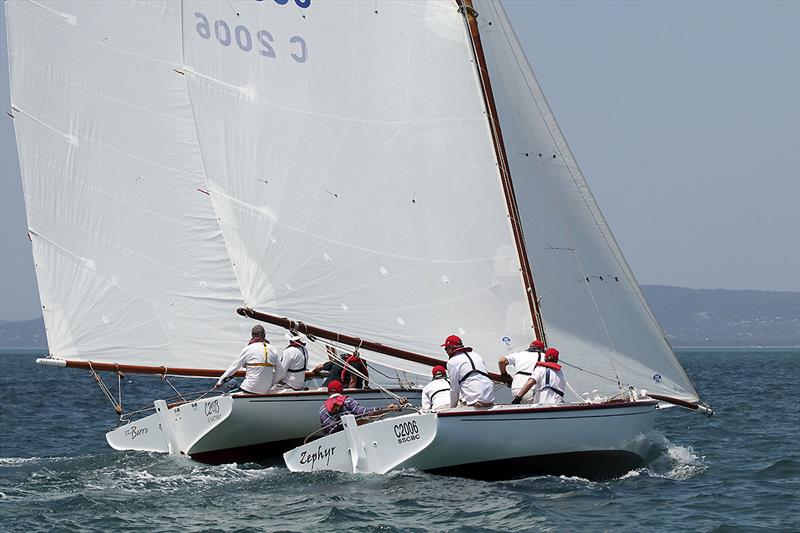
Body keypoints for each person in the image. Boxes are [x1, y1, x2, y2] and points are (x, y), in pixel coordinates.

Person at [214, 325, 280, 394]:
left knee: (231, 382)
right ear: (264, 335)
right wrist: (271, 383)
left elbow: (234, 367)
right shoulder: (273, 349)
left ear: (252, 335)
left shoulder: (248, 349)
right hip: (266, 389)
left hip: (250, 388)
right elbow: (281, 372)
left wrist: (220, 381)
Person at [318, 380, 401, 435]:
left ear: (328, 392)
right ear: (341, 391)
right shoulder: (348, 401)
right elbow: (363, 412)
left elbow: (325, 431)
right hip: (353, 434)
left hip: (335, 442)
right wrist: (387, 409)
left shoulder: (322, 409)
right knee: (362, 419)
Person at [442, 335, 495, 408]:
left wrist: (452, 408)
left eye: (446, 349)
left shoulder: (452, 362)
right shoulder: (476, 355)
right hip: (489, 394)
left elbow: (454, 389)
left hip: (474, 396)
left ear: (451, 347)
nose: (446, 351)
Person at [498, 339, 546, 404]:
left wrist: (504, 374)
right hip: (531, 389)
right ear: (541, 349)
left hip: (515, 388)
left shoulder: (518, 354)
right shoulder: (544, 357)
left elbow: (501, 360)